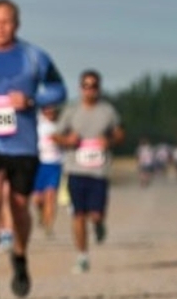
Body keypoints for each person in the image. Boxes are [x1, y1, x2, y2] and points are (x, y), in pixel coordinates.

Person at [0, 0, 67, 299]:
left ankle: (19, 258)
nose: (0, 27)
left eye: (6, 22)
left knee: (19, 207)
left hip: (22, 145)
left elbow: (59, 89)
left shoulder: (34, 57)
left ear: (16, 25)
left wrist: (33, 101)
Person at [53, 70, 124, 274]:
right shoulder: (71, 111)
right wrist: (67, 141)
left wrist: (109, 141)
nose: (89, 90)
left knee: (95, 214)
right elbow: (56, 135)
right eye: (86, 85)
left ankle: (99, 224)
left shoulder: (107, 111)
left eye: (93, 86)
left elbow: (120, 133)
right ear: (80, 87)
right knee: (78, 215)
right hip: (75, 169)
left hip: (99, 171)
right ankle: (82, 256)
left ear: (99, 88)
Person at [31, 104, 64, 237]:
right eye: (47, 108)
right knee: (38, 199)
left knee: (51, 195)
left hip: (55, 164)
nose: (50, 111)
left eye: (52, 108)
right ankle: (41, 214)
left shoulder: (61, 124)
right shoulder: (36, 122)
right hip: (38, 164)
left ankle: (49, 226)